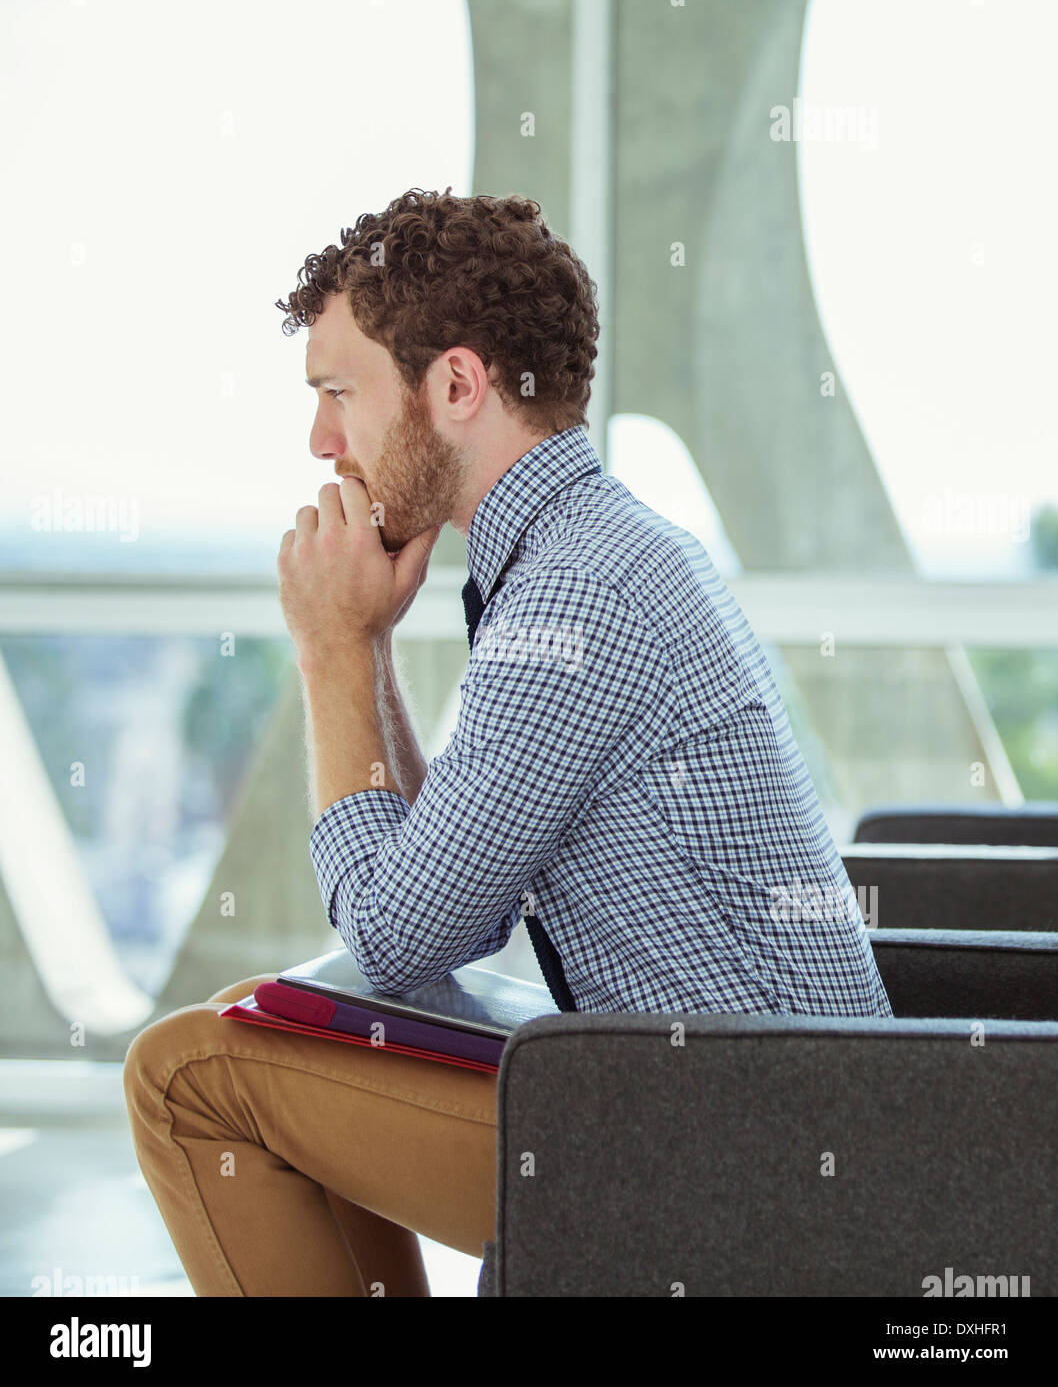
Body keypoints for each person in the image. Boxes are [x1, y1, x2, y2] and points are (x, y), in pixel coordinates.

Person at [123, 186, 892, 1298]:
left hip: (739, 1161)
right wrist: (372, 648)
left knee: (185, 1072)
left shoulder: (573, 598)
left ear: (455, 385)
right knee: (299, 1042)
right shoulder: (599, 551)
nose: (320, 440)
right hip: (754, 1113)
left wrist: (330, 653)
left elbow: (393, 936)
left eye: (340, 393)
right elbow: (447, 910)